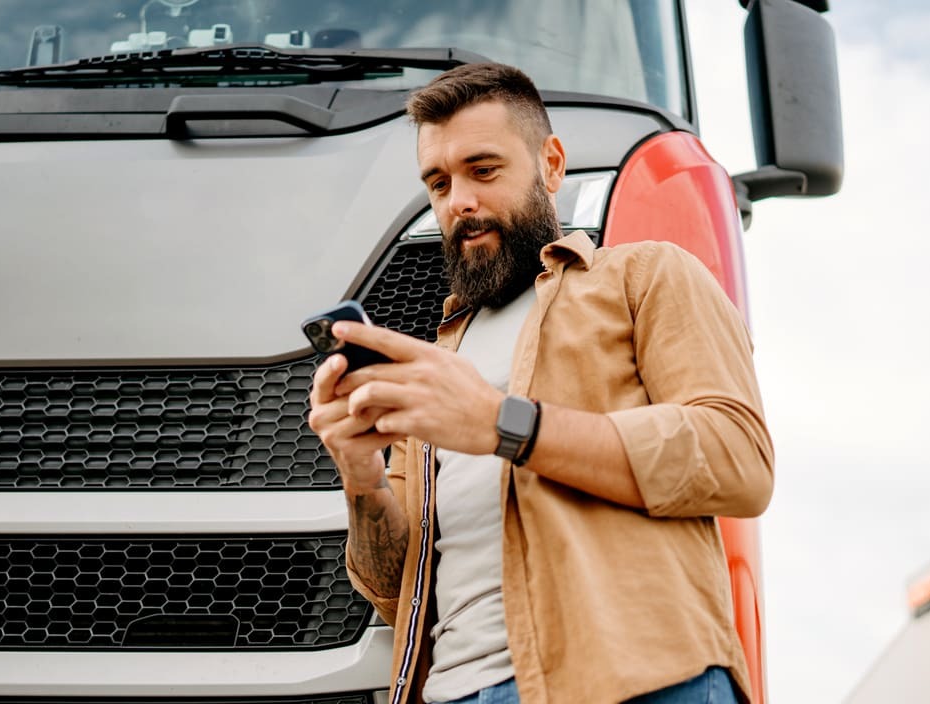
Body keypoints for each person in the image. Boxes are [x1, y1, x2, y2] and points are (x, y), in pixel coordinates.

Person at [307, 63, 773, 704]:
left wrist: (504, 424)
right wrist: (359, 473)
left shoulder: (645, 275)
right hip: (453, 692)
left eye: (484, 170)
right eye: (438, 183)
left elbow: (737, 457)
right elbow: (395, 588)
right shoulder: (439, 361)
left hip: (636, 681)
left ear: (551, 165)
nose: (459, 201)